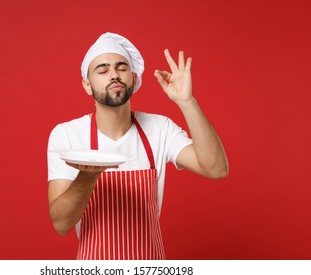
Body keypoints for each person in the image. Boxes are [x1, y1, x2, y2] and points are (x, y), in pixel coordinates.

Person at [47, 32, 229, 260]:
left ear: (133, 77)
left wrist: (187, 102)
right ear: (87, 84)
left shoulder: (160, 128)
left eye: (121, 68)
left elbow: (216, 169)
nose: (114, 75)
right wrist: (87, 176)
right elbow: (61, 224)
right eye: (102, 70)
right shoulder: (67, 136)